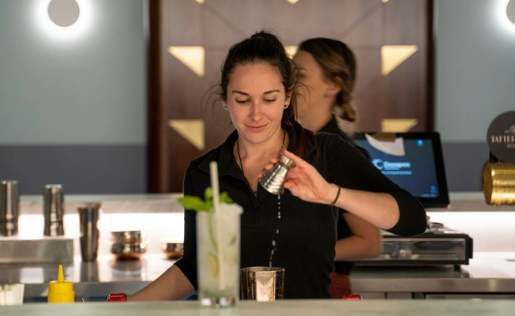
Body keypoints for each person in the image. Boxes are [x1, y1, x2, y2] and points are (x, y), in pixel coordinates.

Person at [130, 31, 426, 300]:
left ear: (287, 96)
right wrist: (129, 307)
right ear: (224, 98)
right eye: (242, 100)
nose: (256, 114)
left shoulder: (326, 153)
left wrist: (331, 194)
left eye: (269, 98)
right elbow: (195, 267)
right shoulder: (205, 172)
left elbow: (412, 219)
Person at [293, 38, 382, 298]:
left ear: (333, 85)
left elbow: (369, 242)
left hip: (323, 285)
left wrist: (301, 252)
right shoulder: (290, 144)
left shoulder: (346, 155)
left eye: (298, 76)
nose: (288, 83)